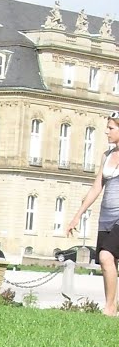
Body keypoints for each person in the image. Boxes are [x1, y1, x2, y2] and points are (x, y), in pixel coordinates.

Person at [67, 111, 119, 316]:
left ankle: (109, 308)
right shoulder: (107, 155)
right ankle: (111, 305)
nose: (106, 132)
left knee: (106, 256)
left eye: (111, 128)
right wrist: (77, 215)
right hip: (106, 216)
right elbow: (97, 187)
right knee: (108, 262)